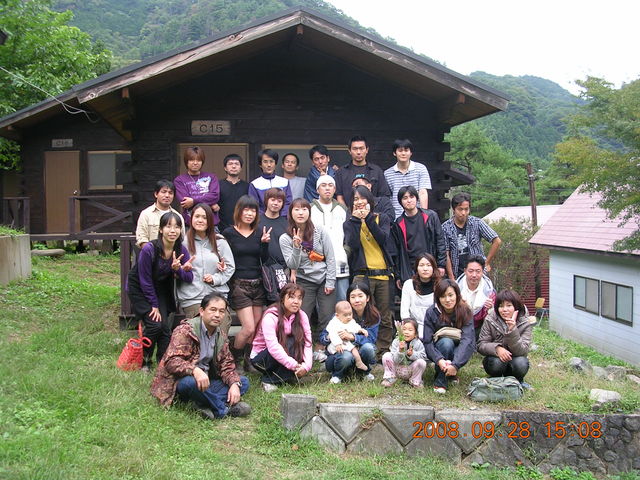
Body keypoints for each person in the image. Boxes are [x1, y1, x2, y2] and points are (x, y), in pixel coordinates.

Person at [150, 294, 251, 419]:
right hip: (180, 383)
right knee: (190, 383)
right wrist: (195, 370)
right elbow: (171, 362)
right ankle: (222, 410)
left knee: (243, 382)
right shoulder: (185, 331)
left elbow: (227, 365)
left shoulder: (220, 335)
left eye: (221, 311)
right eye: (213, 310)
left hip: (206, 382)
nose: (217, 315)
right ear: (202, 311)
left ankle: (201, 403)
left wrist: (234, 384)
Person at [127, 211, 194, 369]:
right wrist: (154, 305)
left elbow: (189, 277)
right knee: (155, 325)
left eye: (177, 227)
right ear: (161, 229)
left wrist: (178, 270)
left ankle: (163, 363)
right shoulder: (149, 249)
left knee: (164, 328)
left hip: (161, 288)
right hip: (140, 287)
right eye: (168, 226)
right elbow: (144, 280)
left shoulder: (181, 250)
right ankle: (143, 361)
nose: (173, 230)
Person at [279, 198, 336, 355]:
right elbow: (292, 264)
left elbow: (330, 256)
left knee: (326, 314)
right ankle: (303, 347)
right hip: (304, 280)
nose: (301, 213)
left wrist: (330, 281)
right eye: (296, 209)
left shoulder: (319, 230)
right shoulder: (285, 238)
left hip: (324, 277)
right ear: (290, 213)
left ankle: (322, 346)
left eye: (304, 209)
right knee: (303, 315)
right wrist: (296, 247)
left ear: (309, 212)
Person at [343, 185, 395, 356]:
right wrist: (356, 221)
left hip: (383, 273)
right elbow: (352, 244)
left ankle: (383, 350)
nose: (359, 202)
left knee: (385, 315)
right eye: (355, 199)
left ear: (370, 200)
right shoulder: (349, 223)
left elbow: (383, 239)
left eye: (362, 198)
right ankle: (364, 348)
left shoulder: (382, 218)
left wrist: (369, 219)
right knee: (361, 313)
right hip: (361, 275)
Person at [221, 195, 271, 372]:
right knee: (248, 327)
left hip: (258, 284)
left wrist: (264, 244)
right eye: (246, 210)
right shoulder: (228, 233)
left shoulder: (258, 232)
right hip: (239, 285)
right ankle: (234, 359)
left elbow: (264, 259)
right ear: (239, 211)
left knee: (255, 327)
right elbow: (223, 257)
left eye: (253, 211)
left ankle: (248, 361)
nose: (249, 214)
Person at [176, 203, 235, 333]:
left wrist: (215, 278)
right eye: (197, 216)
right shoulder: (183, 242)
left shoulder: (219, 241)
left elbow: (230, 267)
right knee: (198, 334)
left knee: (220, 335)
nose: (200, 220)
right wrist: (182, 269)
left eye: (204, 217)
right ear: (191, 219)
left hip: (216, 295)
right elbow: (175, 268)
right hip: (192, 297)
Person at [250, 283, 312, 392]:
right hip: (262, 358)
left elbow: (308, 342)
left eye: (299, 298)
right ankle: (269, 380)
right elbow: (273, 347)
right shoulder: (270, 316)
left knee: (298, 341)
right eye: (291, 297)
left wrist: (306, 366)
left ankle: (287, 375)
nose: (296, 301)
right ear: (282, 299)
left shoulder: (302, 315)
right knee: (288, 343)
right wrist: (294, 366)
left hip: (284, 351)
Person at [422, 278, 475, 394]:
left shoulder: (465, 311)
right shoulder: (431, 312)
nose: (447, 300)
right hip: (440, 349)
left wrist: (456, 364)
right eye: (443, 296)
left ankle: (447, 376)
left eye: (451, 295)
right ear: (438, 298)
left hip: (459, 349)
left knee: (455, 345)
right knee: (446, 343)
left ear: (457, 294)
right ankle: (442, 380)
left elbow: (468, 340)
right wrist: (438, 359)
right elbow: (427, 341)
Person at [321, 282, 379, 383]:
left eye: (360, 296)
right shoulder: (339, 316)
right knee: (346, 356)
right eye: (353, 297)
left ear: (367, 298)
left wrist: (352, 337)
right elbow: (322, 337)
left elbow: (371, 339)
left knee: (369, 348)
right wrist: (330, 337)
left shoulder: (373, 315)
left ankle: (363, 371)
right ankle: (338, 375)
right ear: (348, 299)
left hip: (357, 351)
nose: (357, 300)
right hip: (340, 353)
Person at [477, 289, 533, 389]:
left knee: (521, 363)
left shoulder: (525, 322)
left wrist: (512, 330)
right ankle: (496, 380)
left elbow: (523, 350)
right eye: (501, 306)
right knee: (495, 363)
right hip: (496, 359)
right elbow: (481, 344)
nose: (504, 309)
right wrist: (497, 348)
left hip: (515, 358)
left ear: (516, 307)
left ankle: (518, 380)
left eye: (509, 305)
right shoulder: (490, 319)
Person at [393, 185, 447, 283]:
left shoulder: (430, 216)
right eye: (405, 198)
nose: (409, 200)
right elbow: (397, 251)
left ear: (416, 198)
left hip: (430, 265)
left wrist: (441, 264)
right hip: (410, 269)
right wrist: (398, 275)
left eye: (412, 197)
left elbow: (440, 241)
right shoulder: (398, 223)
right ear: (400, 202)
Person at [442, 192, 502, 280]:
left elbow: (496, 241)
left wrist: (487, 262)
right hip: (457, 273)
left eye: (466, 209)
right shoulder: (445, 227)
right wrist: (451, 277)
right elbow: (446, 254)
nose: (463, 213)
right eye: (460, 209)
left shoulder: (477, 223)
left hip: (477, 273)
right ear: (454, 209)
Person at [310, 174, 350, 302]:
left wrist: (346, 251)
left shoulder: (342, 209)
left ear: (334, 189)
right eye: (323, 185)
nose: (327, 188)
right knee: (323, 304)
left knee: (343, 300)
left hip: (340, 261)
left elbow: (350, 234)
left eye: (330, 185)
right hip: (318, 263)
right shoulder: (310, 209)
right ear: (317, 189)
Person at [335, 135, 391, 207]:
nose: (358, 152)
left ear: (367, 150)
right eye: (355, 149)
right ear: (349, 151)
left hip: (373, 212)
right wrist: (348, 212)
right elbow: (339, 197)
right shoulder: (341, 172)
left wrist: (373, 211)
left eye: (361, 148)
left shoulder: (377, 171)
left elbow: (384, 196)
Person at [384, 139, 431, 217]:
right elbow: (388, 197)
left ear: (411, 152)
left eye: (406, 150)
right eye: (400, 150)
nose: (403, 153)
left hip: (417, 215)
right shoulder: (387, 174)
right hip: (396, 216)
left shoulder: (421, 169)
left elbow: (423, 193)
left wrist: (424, 216)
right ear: (394, 153)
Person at [174, 146, 220, 227]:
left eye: (198, 160)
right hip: (190, 224)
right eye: (192, 160)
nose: (195, 163)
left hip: (211, 224)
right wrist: (209, 204)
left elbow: (215, 196)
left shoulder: (211, 177)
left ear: (202, 162)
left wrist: (193, 201)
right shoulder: (179, 180)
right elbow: (185, 201)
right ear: (186, 162)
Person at [400, 253, 441, 338]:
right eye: (421, 265)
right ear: (416, 268)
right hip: (413, 328)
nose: (425, 269)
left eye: (428, 265)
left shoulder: (440, 285)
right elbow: (404, 312)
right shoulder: (408, 284)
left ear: (433, 268)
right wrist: (410, 329)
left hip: (436, 328)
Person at [326, 301, 370, 379]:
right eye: (345, 315)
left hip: (347, 343)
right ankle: (337, 375)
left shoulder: (351, 321)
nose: (349, 317)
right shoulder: (334, 323)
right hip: (336, 346)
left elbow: (355, 326)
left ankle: (359, 363)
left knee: (354, 349)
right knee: (348, 354)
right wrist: (337, 344)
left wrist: (361, 330)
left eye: (350, 314)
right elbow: (332, 334)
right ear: (337, 315)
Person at [136, 179, 185, 248]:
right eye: (163, 192)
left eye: (170, 193)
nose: (167, 195)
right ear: (156, 194)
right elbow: (142, 239)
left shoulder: (178, 216)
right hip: (151, 253)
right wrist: (153, 252)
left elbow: (181, 239)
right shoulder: (146, 214)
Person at [457, 255, 497, 338]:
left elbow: (494, 319)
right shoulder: (455, 290)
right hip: (458, 328)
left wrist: (490, 310)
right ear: (465, 271)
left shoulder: (490, 292)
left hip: (480, 330)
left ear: (483, 272)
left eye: (478, 271)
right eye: (470, 271)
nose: (474, 275)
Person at [381, 318, 427, 388]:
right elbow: (395, 360)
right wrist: (400, 351)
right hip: (397, 369)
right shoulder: (396, 342)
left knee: (421, 362)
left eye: (410, 330)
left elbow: (423, 357)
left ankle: (415, 381)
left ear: (415, 334)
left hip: (410, 370)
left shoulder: (418, 343)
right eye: (404, 329)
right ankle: (390, 378)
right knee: (386, 355)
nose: (406, 332)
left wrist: (412, 354)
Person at [248, 149, 292, 216]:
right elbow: (254, 205)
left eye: (271, 161)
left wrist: (281, 217)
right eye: (265, 162)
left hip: (282, 219)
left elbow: (288, 203)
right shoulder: (255, 184)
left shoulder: (284, 182)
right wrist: (265, 218)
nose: (269, 165)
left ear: (275, 164)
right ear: (260, 164)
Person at [215, 153, 249, 232]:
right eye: (230, 164)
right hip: (221, 228)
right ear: (225, 168)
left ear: (241, 168)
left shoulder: (247, 186)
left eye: (236, 164)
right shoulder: (217, 185)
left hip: (242, 228)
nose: (233, 166)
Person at [258, 187, 288, 267]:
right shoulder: (257, 222)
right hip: (262, 267)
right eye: (273, 200)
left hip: (283, 268)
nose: (276, 203)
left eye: (279, 201)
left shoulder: (286, 224)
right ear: (266, 200)